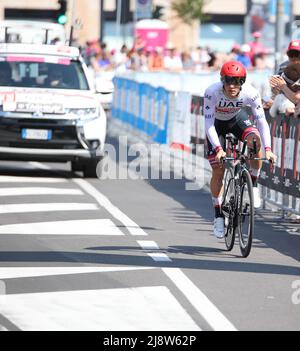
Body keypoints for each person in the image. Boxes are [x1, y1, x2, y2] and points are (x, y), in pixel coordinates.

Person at [204, 61, 276, 239]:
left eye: (237, 81)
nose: (232, 86)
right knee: (218, 170)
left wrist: (268, 149)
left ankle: (254, 184)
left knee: (254, 141)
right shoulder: (212, 92)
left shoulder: (251, 93)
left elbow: (261, 122)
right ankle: (218, 215)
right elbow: (208, 124)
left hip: (237, 119)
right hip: (216, 126)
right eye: (228, 81)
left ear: (243, 81)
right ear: (222, 80)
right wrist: (219, 148)